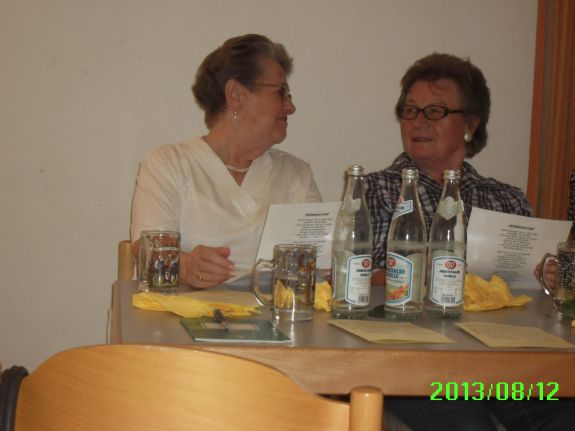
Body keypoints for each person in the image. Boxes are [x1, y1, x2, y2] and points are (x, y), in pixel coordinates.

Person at [365, 53, 572, 430]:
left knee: (564, 415)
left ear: (470, 125)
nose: (418, 122)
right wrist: (427, 278)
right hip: (417, 367)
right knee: (466, 425)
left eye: (435, 111)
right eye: (410, 110)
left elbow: (533, 297)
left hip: (504, 371)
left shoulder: (507, 199)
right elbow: (362, 278)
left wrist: (550, 278)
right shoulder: (375, 190)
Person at [130, 34, 321, 288]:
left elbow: (320, 267)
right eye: (281, 92)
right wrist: (185, 267)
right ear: (236, 94)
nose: (291, 107)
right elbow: (146, 254)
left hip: (273, 314)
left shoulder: (297, 174)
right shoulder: (169, 164)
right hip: (184, 312)